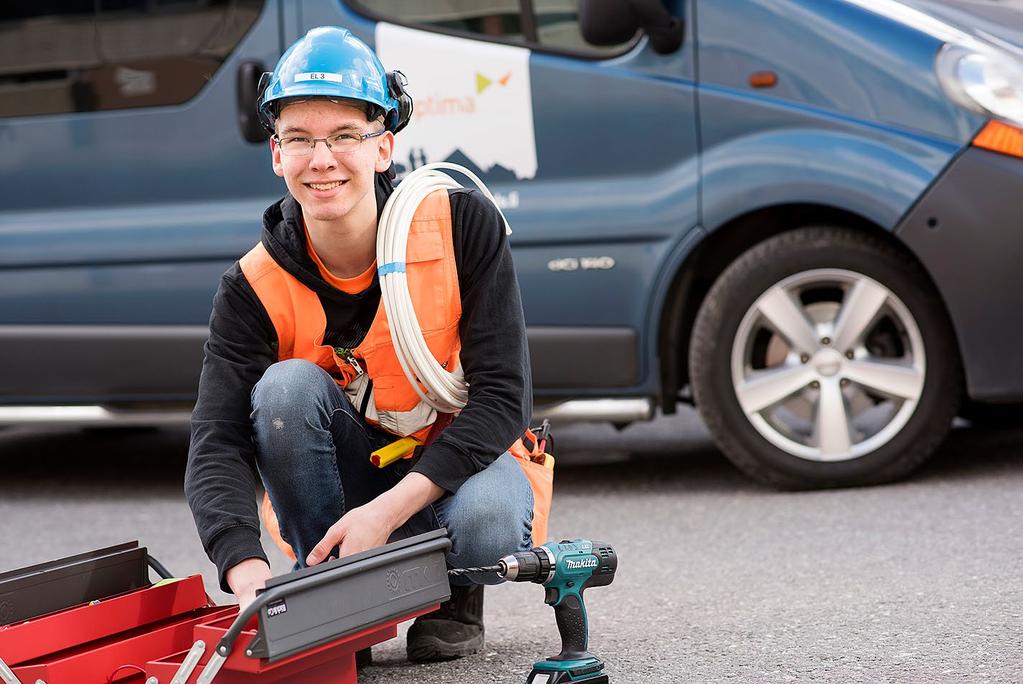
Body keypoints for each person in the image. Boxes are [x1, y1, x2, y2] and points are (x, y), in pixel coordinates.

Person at [184, 26, 545, 663]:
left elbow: (504, 395)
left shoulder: (461, 224)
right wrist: (244, 570)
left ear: (383, 148)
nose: (322, 159)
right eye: (300, 139)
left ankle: (454, 596)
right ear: (277, 155)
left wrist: (387, 513)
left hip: (454, 471)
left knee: (488, 524)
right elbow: (216, 440)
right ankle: (333, 601)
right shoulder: (251, 287)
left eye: (345, 136)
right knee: (285, 391)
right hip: (349, 478)